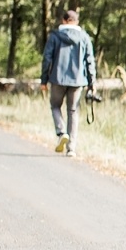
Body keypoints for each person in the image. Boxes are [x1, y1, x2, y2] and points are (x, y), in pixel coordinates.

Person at [39, 9, 96, 155]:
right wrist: (92, 83)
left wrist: (44, 80)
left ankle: (61, 132)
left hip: (57, 78)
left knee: (55, 106)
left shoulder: (55, 36)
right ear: (76, 21)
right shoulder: (84, 37)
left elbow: (47, 59)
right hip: (78, 81)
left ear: (64, 20)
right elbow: (90, 61)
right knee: (73, 111)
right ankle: (71, 148)